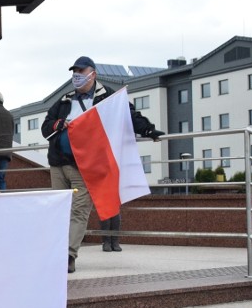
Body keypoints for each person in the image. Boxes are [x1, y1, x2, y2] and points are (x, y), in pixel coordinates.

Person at [41, 56, 164, 273]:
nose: (76, 76)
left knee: (79, 211)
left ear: (93, 74)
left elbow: (128, 116)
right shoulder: (64, 100)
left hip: (84, 167)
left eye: (80, 71)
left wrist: (148, 130)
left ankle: (69, 255)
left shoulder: (108, 98)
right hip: (58, 164)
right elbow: (45, 128)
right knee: (59, 211)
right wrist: (60, 124)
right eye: (74, 72)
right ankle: (55, 252)